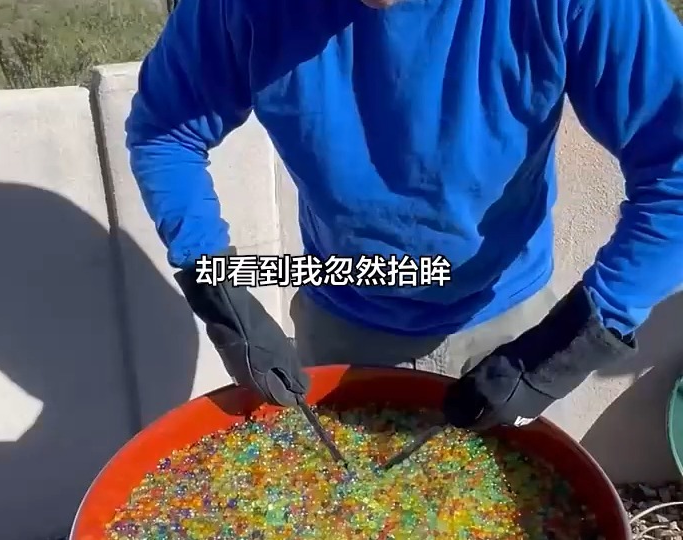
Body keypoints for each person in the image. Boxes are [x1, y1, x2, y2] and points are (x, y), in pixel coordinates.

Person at [125, 0, 683, 430]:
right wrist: (216, 288)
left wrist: (583, 332)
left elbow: (674, 166)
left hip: (513, 325)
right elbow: (165, 131)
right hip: (340, 312)